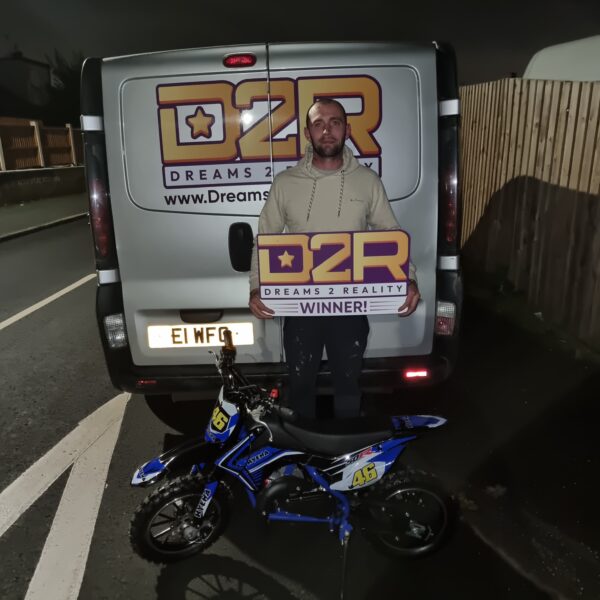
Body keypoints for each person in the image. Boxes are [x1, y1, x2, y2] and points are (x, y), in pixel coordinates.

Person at [249, 98, 420, 419]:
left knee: (348, 385)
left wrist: (407, 278)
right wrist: (257, 287)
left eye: (335, 122)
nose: (327, 130)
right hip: (300, 307)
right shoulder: (285, 183)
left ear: (347, 130)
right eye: (318, 124)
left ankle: (348, 444)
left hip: (350, 306)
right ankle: (302, 445)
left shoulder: (367, 181)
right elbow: (264, 239)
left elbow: (391, 234)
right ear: (307, 133)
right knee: (300, 386)